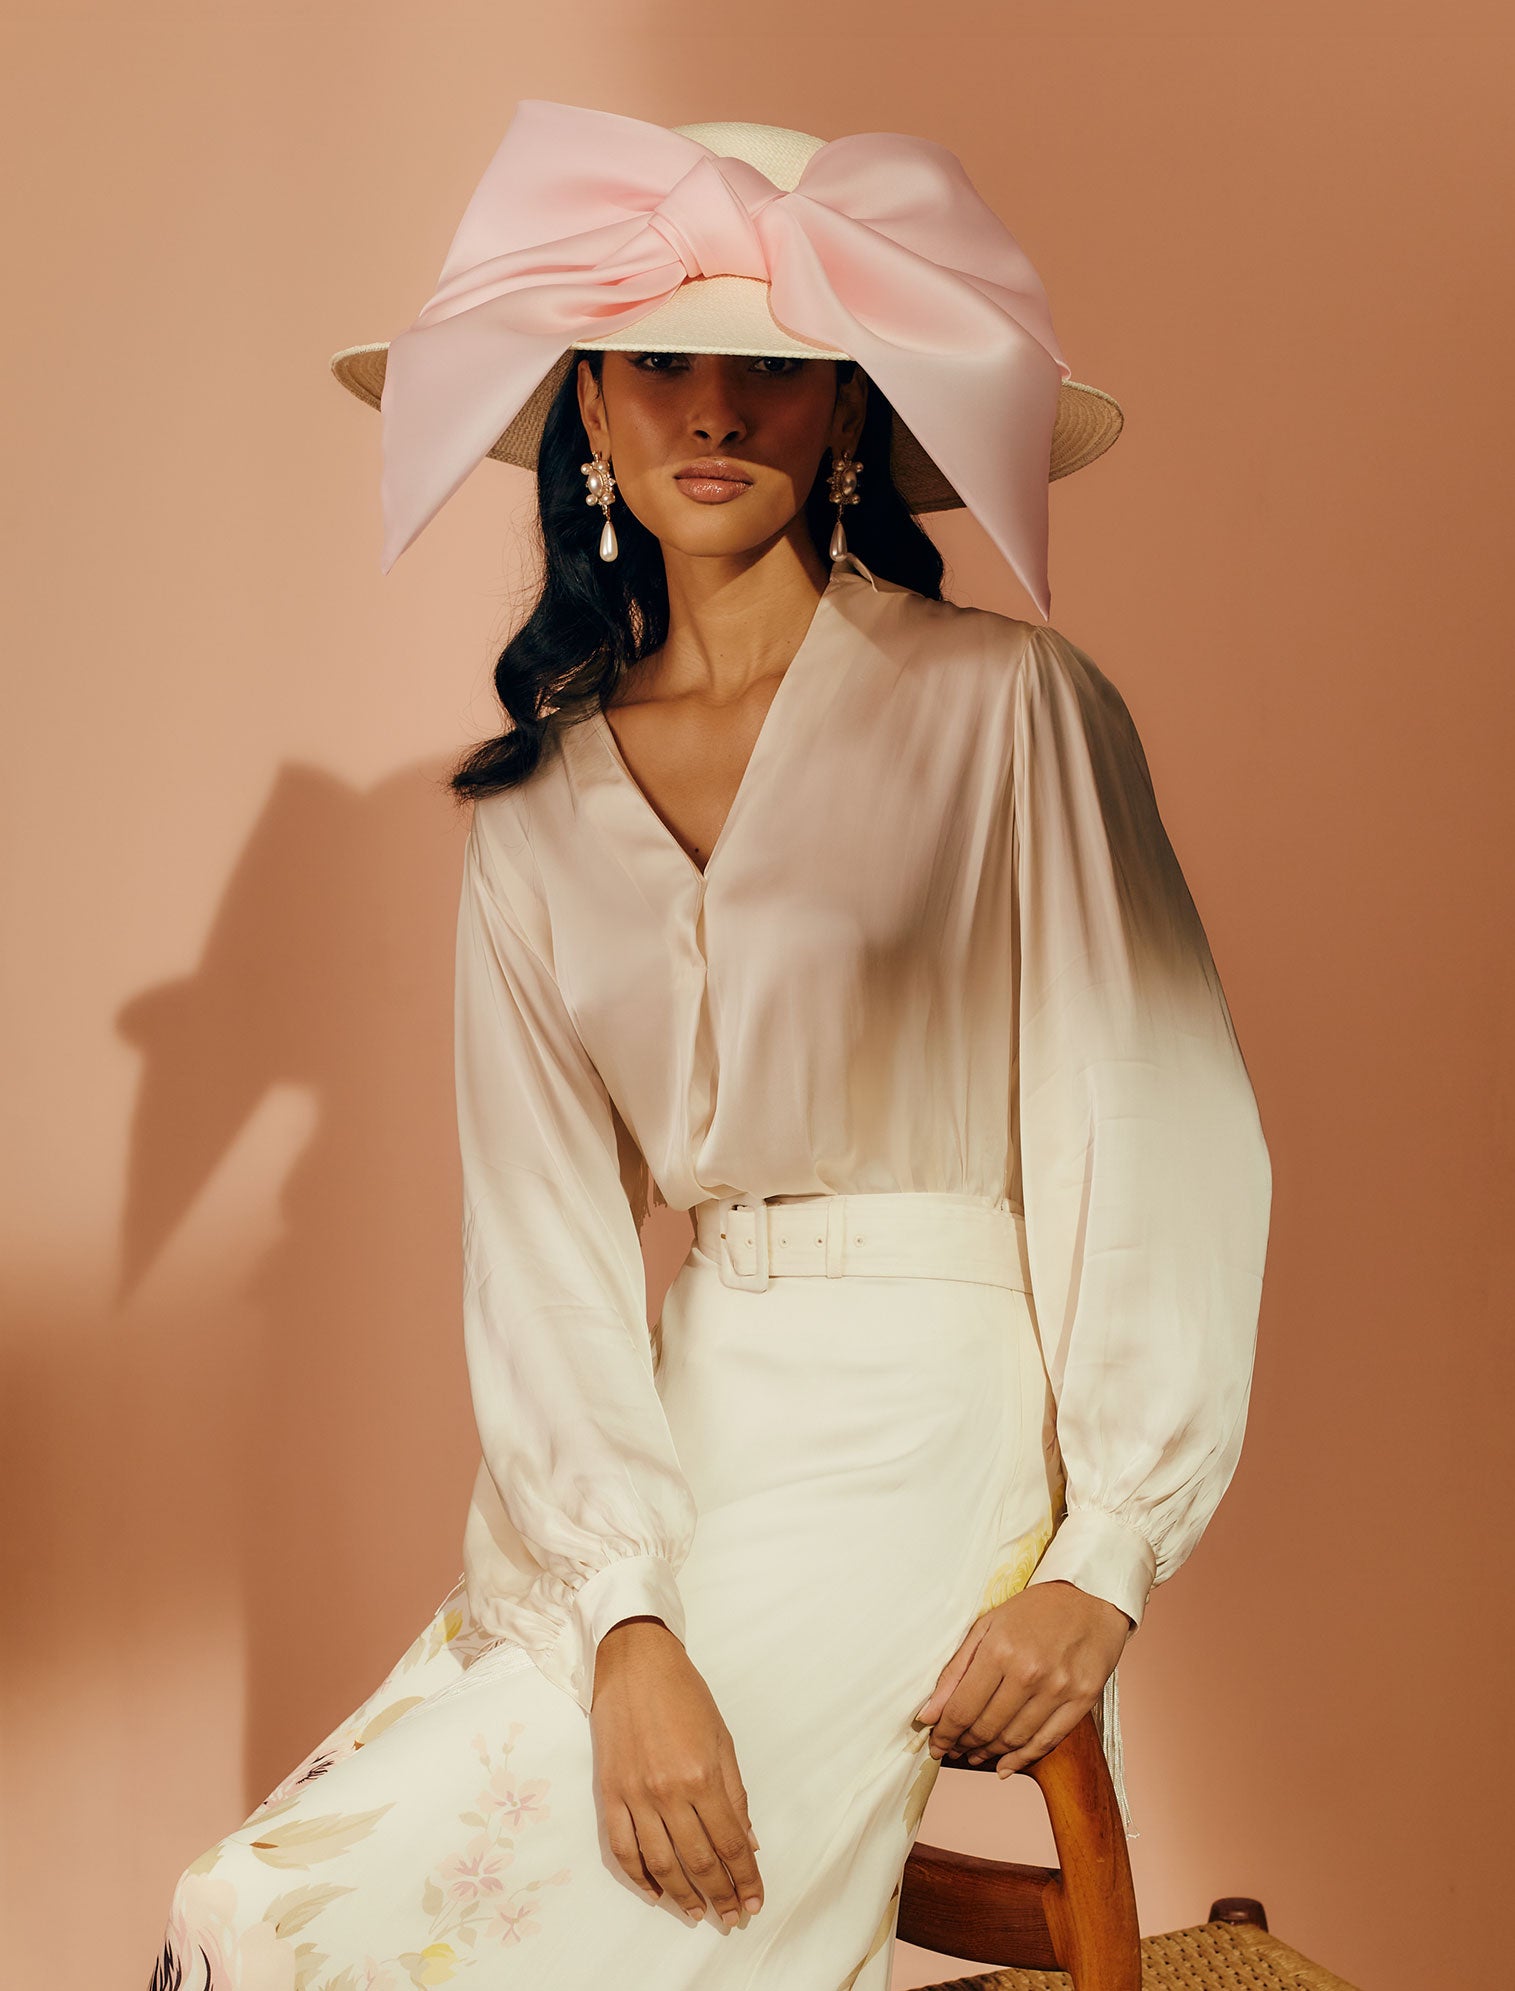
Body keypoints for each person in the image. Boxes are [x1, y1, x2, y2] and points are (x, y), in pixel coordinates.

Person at [149, 104, 1272, 1989]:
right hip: (675, 1436)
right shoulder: (533, 811)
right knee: (248, 1914)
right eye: (658, 364)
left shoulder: (1011, 712)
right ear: (587, 410)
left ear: (848, 410)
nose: (716, 411)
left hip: (935, 1429)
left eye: (772, 368)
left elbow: (1152, 1120)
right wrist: (621, 1615)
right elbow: (544, 1250)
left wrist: (1111, 1553)